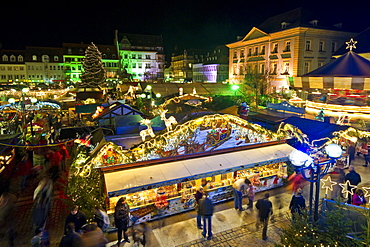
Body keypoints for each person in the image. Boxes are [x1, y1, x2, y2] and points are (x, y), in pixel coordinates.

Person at [0, 181, 17, 247]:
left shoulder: (2, 204)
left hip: (7, 220)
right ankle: (11, 242)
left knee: (9, 230)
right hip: (8, 220)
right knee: (10, 230)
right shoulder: (12, 197)